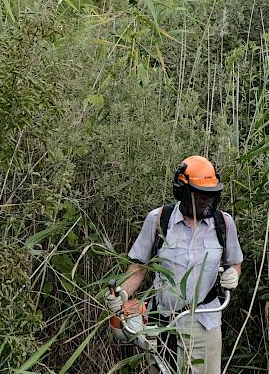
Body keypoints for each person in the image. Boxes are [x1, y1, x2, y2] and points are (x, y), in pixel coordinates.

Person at [105, 155, 244, 374]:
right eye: (199, 194)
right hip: (162, 322)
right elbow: (140, 267)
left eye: (209, 195)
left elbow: (234, 262)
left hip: (205, 321)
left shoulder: (223, 223)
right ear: (182, 190)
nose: (204, 200)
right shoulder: (159, 220)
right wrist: (122, 293)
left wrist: (233, 274)